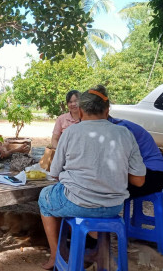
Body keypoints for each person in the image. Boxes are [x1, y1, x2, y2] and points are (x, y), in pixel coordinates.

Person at [38, 85, 146, 270]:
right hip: (113, 207)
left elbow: (54, 172)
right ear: (107, 111)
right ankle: (98, 250)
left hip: (78, 203)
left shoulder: (71, 132)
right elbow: (138, 180)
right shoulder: (125, 134)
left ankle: (56, 255)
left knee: (44, 198)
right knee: (74, 200)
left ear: (80, 111)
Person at [108, 116, 163, 197]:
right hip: (140, 172)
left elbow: (118, 162)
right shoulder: (110, 126)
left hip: (154, 174)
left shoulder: (121, 129)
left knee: (101, 188)